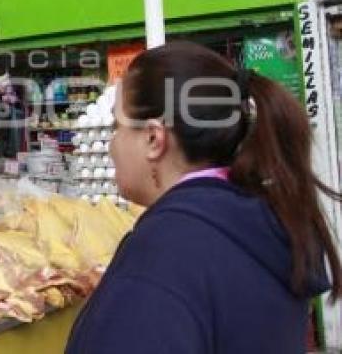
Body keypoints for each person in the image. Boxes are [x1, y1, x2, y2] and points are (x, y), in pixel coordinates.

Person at [66, 41, 341, 354]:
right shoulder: (261, 220)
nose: (112, 144)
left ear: (154, 139)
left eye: (117, 125)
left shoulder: (166, 252)